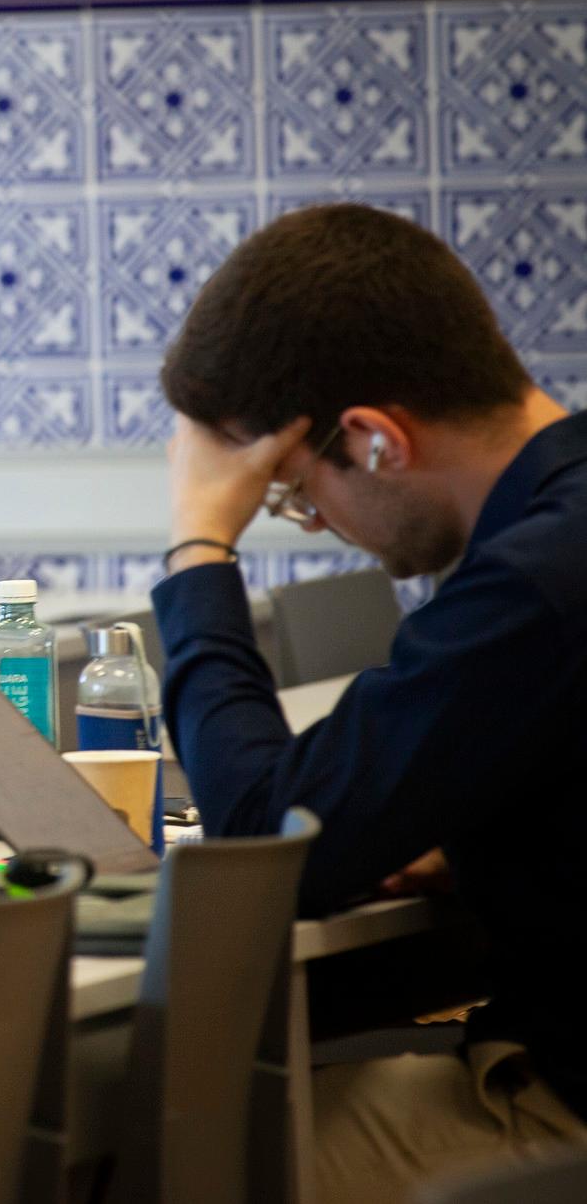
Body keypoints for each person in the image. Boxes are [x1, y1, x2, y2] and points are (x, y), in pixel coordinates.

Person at [152, 203, 587, 1201]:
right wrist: (490, 844)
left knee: (183, 1160)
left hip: (567, 1119)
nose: (318, 526)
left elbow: (263, 836)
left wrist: (197, 548)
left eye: (298, 496)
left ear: (375, 441)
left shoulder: (532, 586)